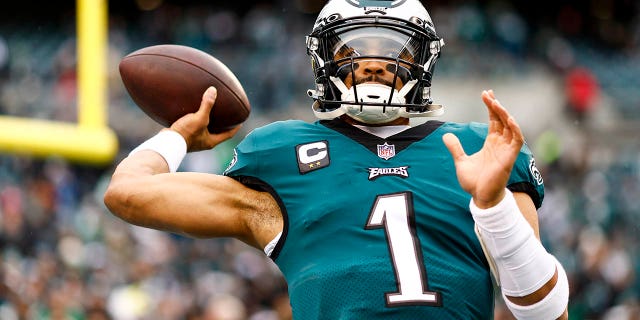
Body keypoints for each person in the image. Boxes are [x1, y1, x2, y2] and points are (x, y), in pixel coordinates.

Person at [104, 0, 569, 319]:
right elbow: (127, 194)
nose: (372, 63)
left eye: (392, 51)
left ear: (423, 61)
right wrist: (178, 135)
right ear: (323, 60)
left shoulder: (478, 149)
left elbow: (547, 314)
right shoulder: (282, 156)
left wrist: (493, 205)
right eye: (354, 50)